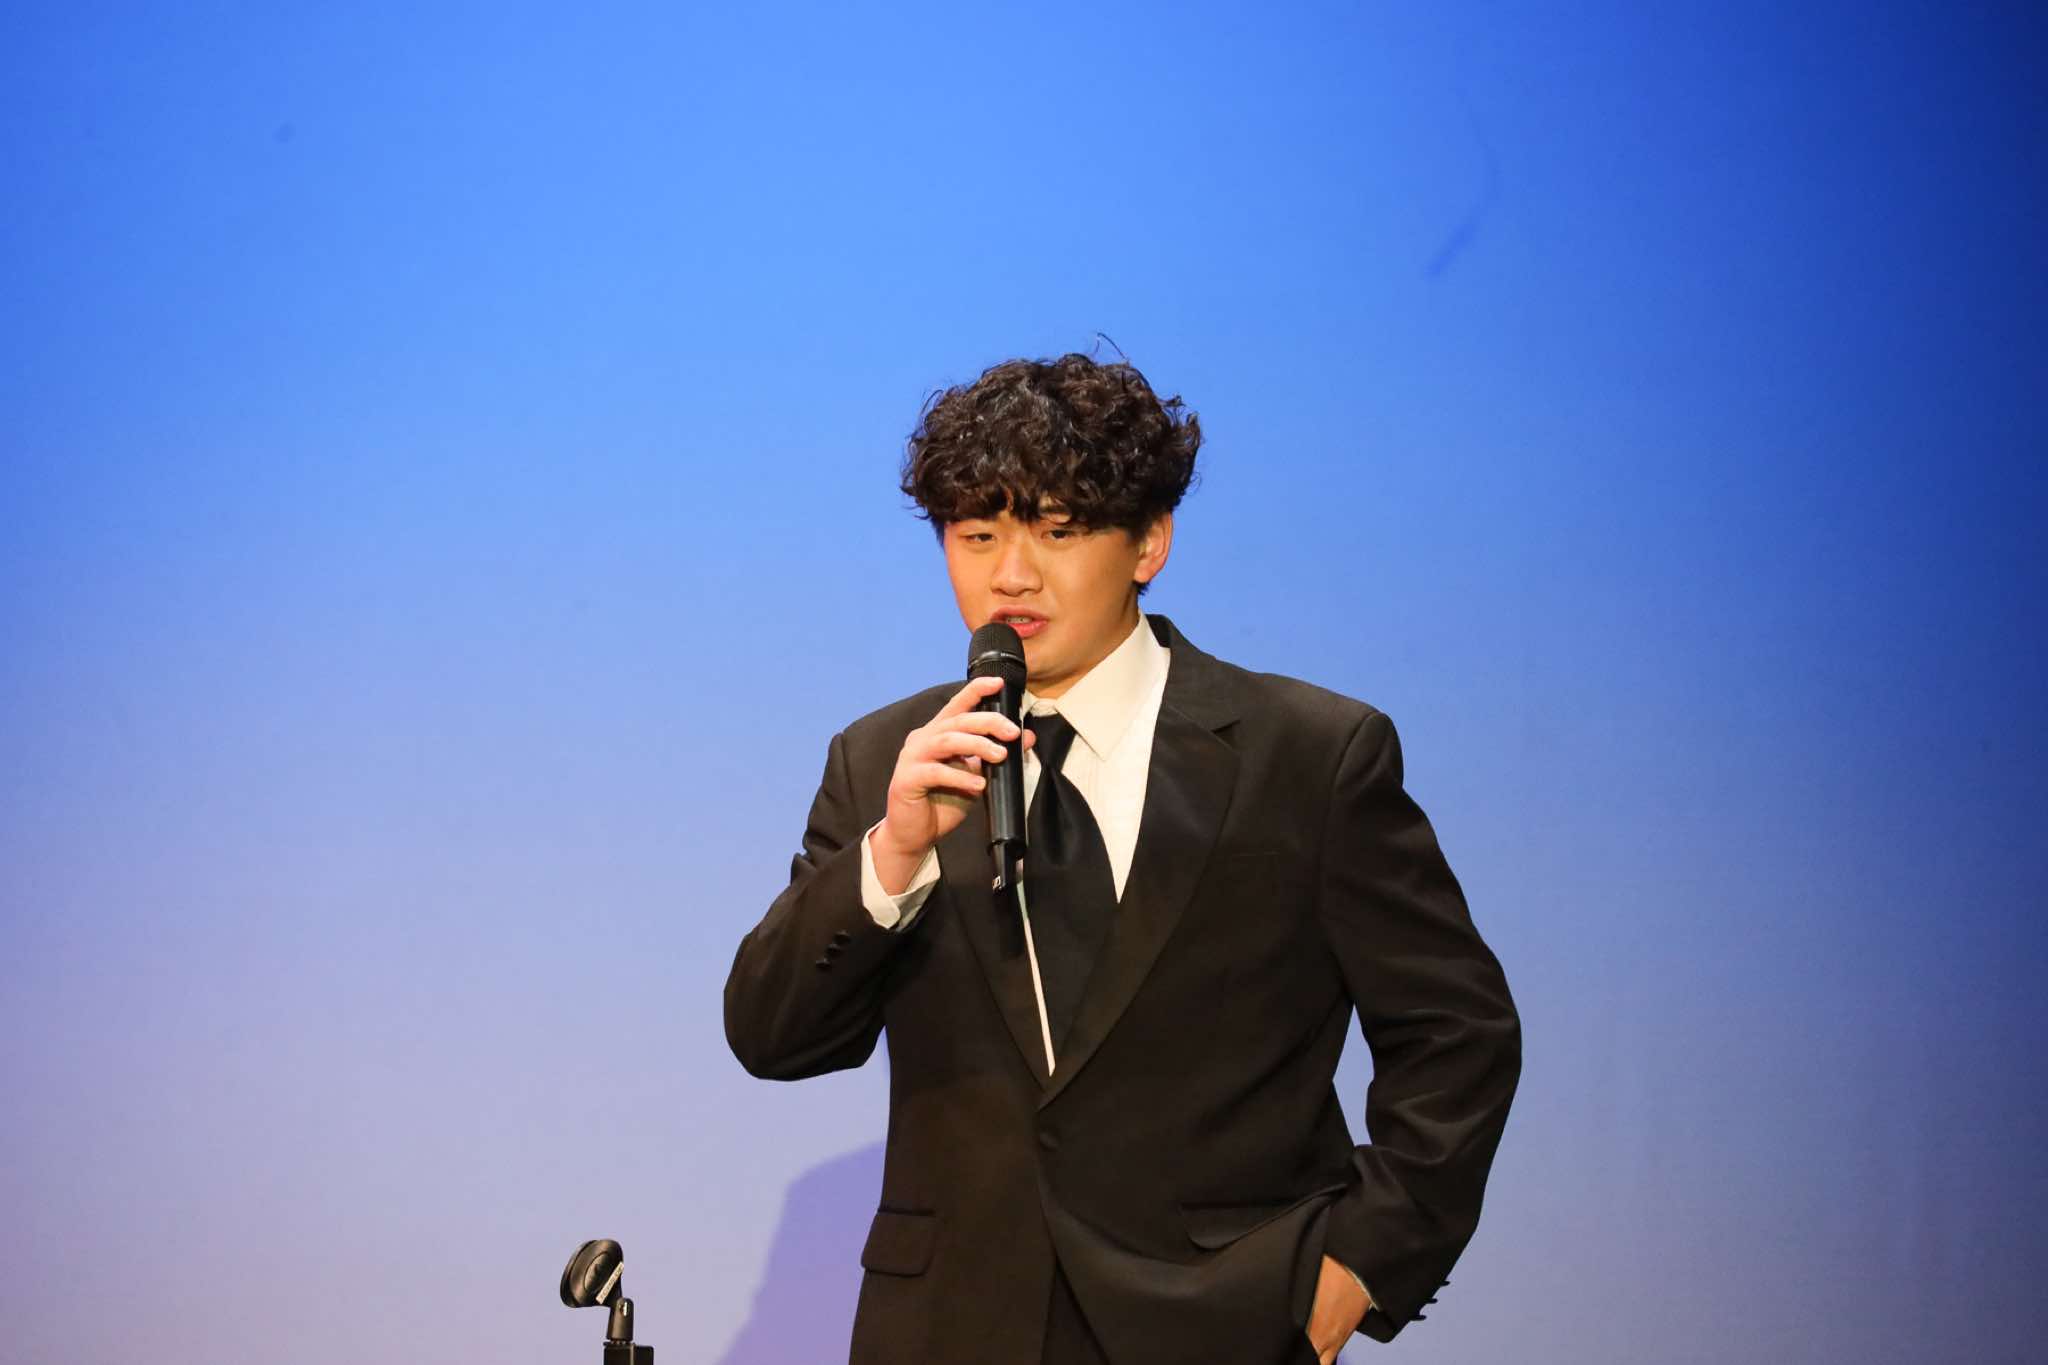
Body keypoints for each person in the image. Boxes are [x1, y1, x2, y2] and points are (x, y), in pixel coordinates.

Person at [724, 353, 1520, 1365]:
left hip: (1222, 1325)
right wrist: (893, 854)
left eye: (1057, 531)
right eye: (976, 536)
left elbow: (1456, 1034)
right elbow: (773, 1036)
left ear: (1149, 542)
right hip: (951, 1327)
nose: (1011, 575)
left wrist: (1358, 1266)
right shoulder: (887, 761)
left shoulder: (1308, 756)